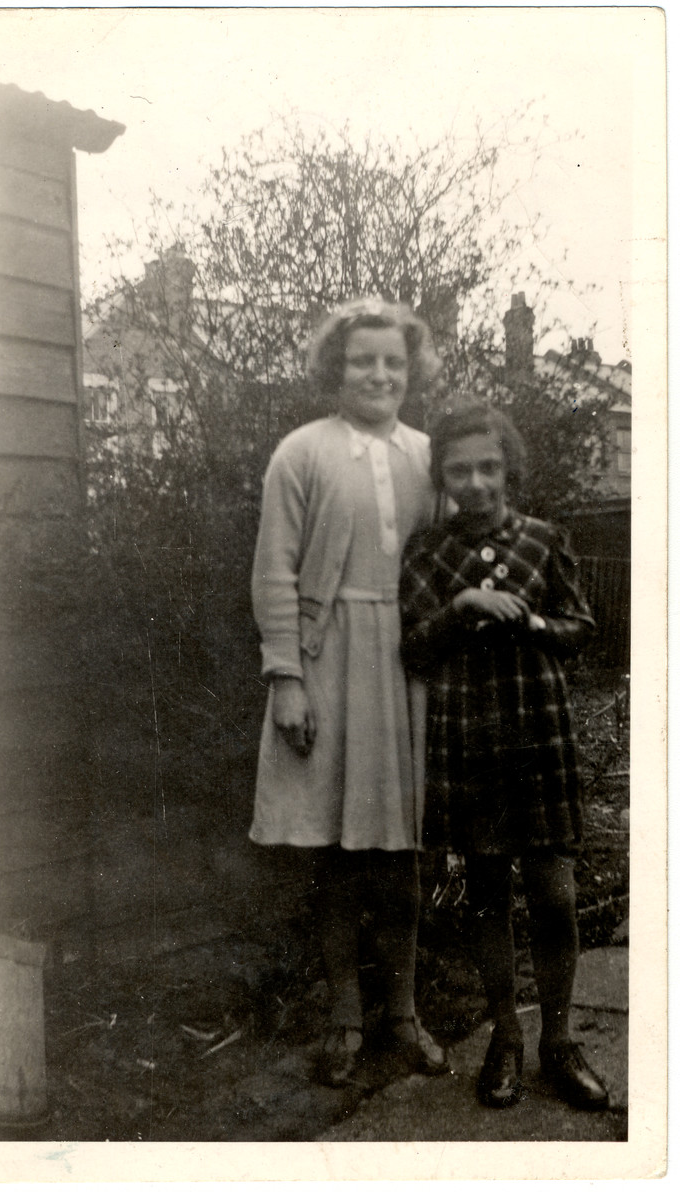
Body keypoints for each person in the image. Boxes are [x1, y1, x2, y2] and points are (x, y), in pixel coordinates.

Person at [250, 297, 448, 1087]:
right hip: (327, 661)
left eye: (393, 362)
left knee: (401, 854)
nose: (378, 374)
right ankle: (344, 1019)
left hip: (409, 666)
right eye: (363, 361)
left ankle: (403, 1014)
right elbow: (273, 570)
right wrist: (287, 678)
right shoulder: (301, 452)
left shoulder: (430, 456)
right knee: (333, 855)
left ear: (411, 371)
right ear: (336, 367)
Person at [399, 400, 610, 1111]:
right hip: (471, 740)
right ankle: (505, 1040)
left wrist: (535, 620)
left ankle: (557, 1040)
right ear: (443, 477)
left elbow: (583, 626)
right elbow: (414, 647)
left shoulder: (545, 540)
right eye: (460, 470)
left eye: (489, 467)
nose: (477, 483)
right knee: (488, 896)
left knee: (553, 894)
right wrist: (460, 607)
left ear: (509, 467)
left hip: (539, 735)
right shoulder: (427, 553)